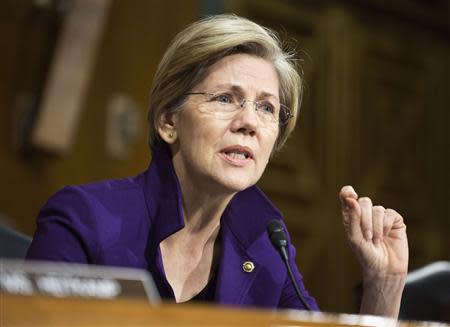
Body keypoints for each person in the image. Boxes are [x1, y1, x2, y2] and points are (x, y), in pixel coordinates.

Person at [26, 14, 408, 316]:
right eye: (226, 98)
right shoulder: (84, 218)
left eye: (266, 107)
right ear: (168, 122)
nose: (249, 122)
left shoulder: (267, 244)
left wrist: (384, 285)